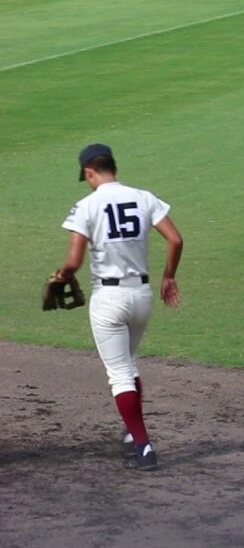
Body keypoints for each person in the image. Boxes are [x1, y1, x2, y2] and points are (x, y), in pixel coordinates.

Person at [56, 143, 184, 471]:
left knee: (120, 374)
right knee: (129, 364)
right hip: (141, 295)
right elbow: (175, 239)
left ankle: (143, 445)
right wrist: (169, 277)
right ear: (113, 166)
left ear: (89, 172)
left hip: (108, 299)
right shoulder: (143, 197)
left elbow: (73, 261)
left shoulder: (86, 205)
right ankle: (131, 435)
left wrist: (62, 275)